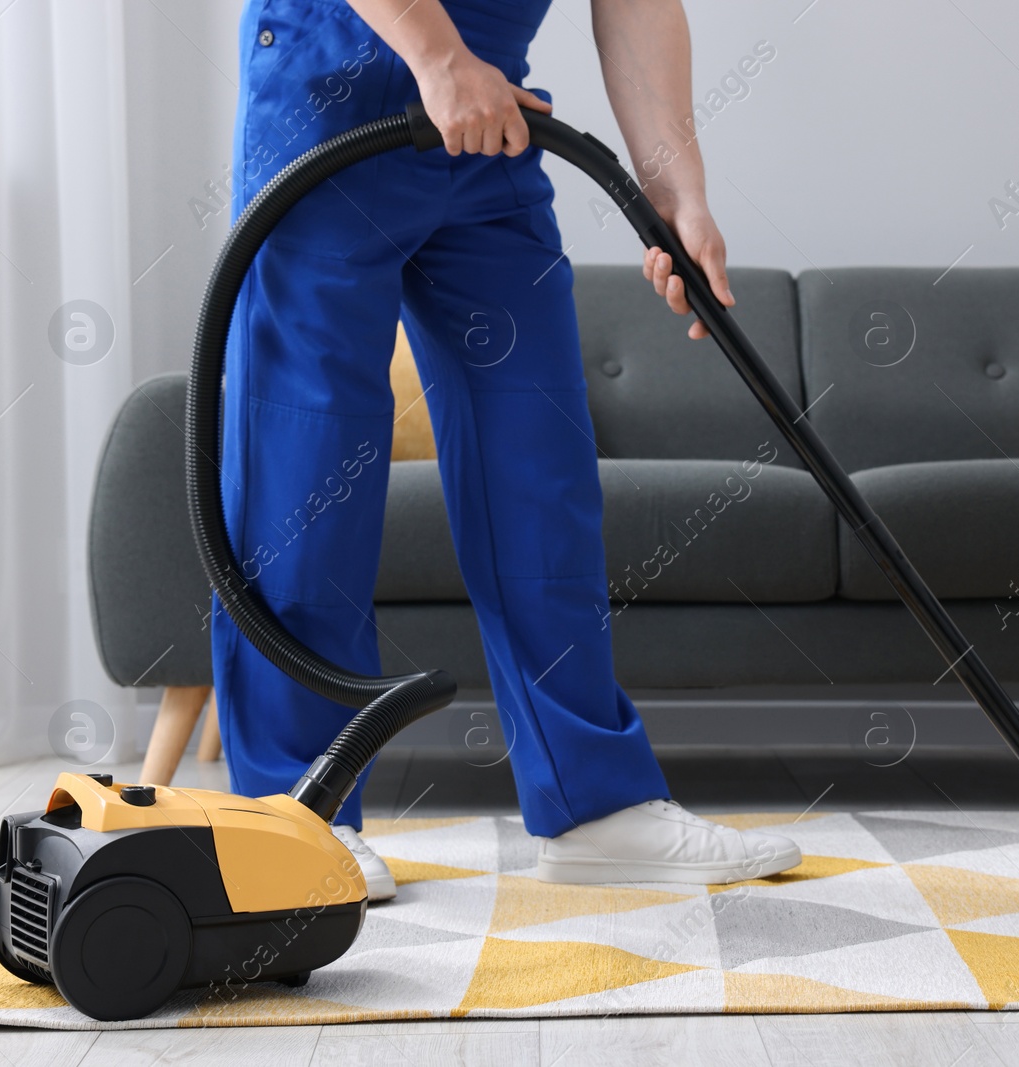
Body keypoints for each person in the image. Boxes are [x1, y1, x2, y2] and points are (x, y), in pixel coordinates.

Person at [214, 0, 801, 898]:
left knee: (539, 466)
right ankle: (297, 812)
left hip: (491, 119)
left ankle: (594, 804)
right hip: (336, 86)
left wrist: (676, 190)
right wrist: (436, 57)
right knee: (307, 472)